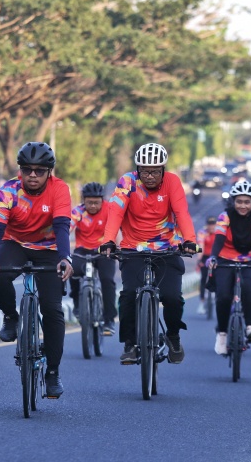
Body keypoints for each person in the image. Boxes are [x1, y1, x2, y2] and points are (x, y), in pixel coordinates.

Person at [0, 142, 73, 398]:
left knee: (53, 310)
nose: (32, 175)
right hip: (16, 244)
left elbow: (62, 228)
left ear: (49, 172)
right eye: (27, 170)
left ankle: (52, 372)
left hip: (50, 248)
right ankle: (11, 316)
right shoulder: (8, 191)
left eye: (39, 170)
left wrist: (65, 258)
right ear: (20, 171)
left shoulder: (60, 190)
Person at [99, 142, 198, 365]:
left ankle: (173, 335)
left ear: (163, 170)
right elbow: (115, 212)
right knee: (128, 296)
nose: (150, 176)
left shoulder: (172, 182)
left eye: (154, 171)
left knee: (172, 297)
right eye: (144, 170)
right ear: (138, 169)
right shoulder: (128, 182)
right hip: (133, 248)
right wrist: (108, 241)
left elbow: (181, 212)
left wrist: (189, 240)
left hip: (167, 248)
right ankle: (130, 344)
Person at [207, 179, 251, 355]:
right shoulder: (224, 216)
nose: (243, 206)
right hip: (225, 258)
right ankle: (222, 335)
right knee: (224, 296)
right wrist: (213, 257)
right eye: (239, 201)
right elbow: (218, 238)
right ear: (233, 202)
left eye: (247, 202)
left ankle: (250, 327)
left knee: (248, 286)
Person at [69, 182, 117, 335]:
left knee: (107, 280)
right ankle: (78, 303)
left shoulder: (110, 209)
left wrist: (119, 247)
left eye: (97, 202)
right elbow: (67, 226)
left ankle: (109, 319)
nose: (93, 206)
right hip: (82, 250)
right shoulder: (78, 212)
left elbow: (119, 228)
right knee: (73, 270)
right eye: (89, 202)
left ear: (102, 200)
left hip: (104, 250)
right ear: (84, 200)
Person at [196, 215, 217, 314]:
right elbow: (201, 246)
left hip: (217, 257)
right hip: (205, 257)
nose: (211, 227)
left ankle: (214, 295)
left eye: (213, 225)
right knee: (203, 278)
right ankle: (202, 302)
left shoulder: (219, 232)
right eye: (209, 225)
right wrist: (199, 260)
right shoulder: (202, 232)